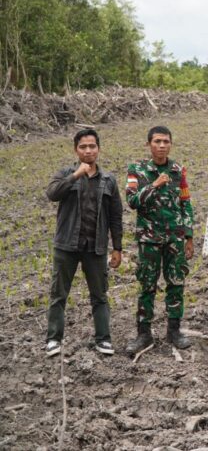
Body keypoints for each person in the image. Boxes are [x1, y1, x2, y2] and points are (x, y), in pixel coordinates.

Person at [44, 129, 123, 357]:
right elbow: (52, 194)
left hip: (95, 247)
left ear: (98, 149)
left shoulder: (108, 180)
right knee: (59, 294)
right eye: (83, 147)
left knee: (99, 295)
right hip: (66, 245)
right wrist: (76, 175)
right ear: (76, 150)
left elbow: (116, 216)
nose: (88, 151)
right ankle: (53, 339)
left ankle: (103, 339)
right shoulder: (66, 174)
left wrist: (117, 247)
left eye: (92, 146)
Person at [125, 125, 194, 355]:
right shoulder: (137, 170)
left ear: (171, 144)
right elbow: (133, 201)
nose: (162, 146)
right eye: (157, 141)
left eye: (166, 141)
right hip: (149, 239)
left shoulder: (177, 170)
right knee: (147, 285)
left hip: (174, 238)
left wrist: (189, 236)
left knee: (176, 283)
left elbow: (186, 203)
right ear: (149, 144)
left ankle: (174, 331)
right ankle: (143, 333)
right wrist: (154, 185)